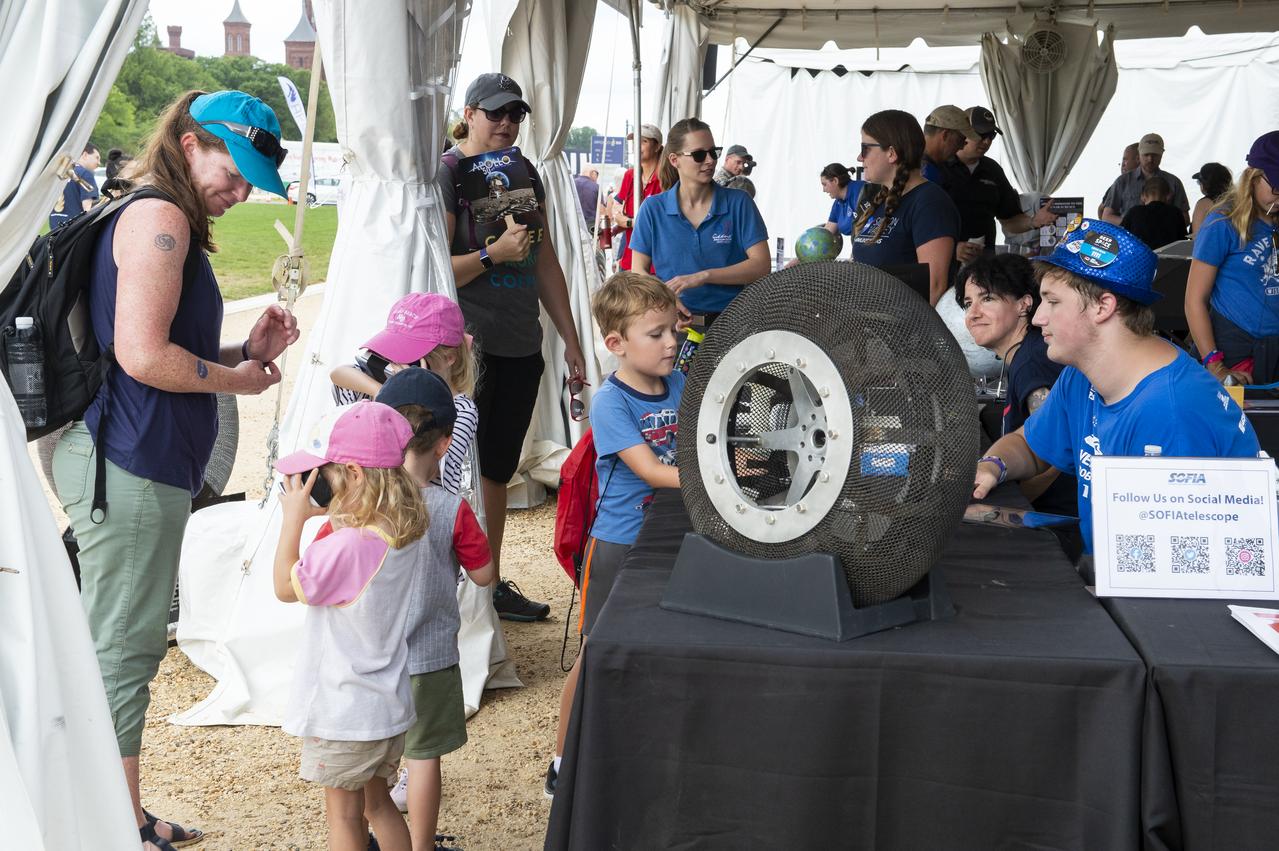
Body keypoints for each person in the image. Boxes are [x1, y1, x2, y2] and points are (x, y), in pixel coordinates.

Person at [50, 89, 298, 851]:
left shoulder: (160, 214)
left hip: (131, 458)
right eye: (235, 166)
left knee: (114, 646)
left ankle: (103, 812)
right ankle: (112, 824)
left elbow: (150, 350)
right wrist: (242, 382)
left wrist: (240, 355)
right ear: (191, 144)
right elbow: (144, 357)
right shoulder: (161, 219)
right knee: (122, 653)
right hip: (128, 464)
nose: (243, 188)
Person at [973, 218, 1261, 554]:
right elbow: (1031, 443)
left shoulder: (1170, 410)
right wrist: (993, 466)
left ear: (1103, 306)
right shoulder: (1081, 375)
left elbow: (1175, 565)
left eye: (1052, 301)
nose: (1038, 318)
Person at [438, 72, 586, 622]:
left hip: (522, 343)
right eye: (496, 113)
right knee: (449, 466)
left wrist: (571, 340)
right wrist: (492, 255)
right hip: (465, 348)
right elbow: (436, 271)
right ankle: (446, 588)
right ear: (470, 113)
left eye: (515, 115)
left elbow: (545, 262)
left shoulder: (524, 171)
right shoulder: (448, 174)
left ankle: (488, 586)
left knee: (498, 468)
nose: (506, 123)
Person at [547, 271, 683, 798]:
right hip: (620, 546)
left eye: (673, 329)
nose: (671, 341)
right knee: (597, 653)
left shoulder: (682, 381)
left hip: (670, 538)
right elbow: (651, 471)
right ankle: (562, 761)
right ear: (615, 343)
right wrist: (724, 477)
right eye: (656, 334)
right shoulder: (610, 401)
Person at [274, 401, 426, 851]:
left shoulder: (346, 547)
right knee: (377, 807)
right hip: (386, 706)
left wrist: (292, 520)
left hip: (343, 713)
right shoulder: (400, 531)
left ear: (355, 476)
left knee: (342, 817)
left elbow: (285, 585)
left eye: (329, 474)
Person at [374, 369, 496, 851]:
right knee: (423, 761)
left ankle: (379, 835)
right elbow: (485, 575)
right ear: (444, 443)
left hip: (373, 659)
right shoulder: (450, 507)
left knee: (375, 762)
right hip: (430, 659)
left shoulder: (362, 504)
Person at [330, 292, 479, 495]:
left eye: (409, 357)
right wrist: (386, 391)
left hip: (424, 513)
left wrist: (417, 396)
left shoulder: (461, 410)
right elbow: (339, 373)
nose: (396, 361)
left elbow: (431, 473)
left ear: (449, 358)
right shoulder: (385, 387)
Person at [629, 118, 770, 325]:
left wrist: (703, 276)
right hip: (675, 326)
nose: (710, 160)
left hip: (732, 325)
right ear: (674, 160)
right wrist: (666, 299)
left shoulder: (739, 203)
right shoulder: (652, 209)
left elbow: (761, 265)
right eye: (698, 155)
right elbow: (638, 271)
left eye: (713, 152)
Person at [1186, 132, 1279, 384]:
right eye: (1277, 188)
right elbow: (1194, 300)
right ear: (1253, 177)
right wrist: (1215, 366)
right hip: (1235, 349)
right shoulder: (1222, 222)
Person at [852, 109, 960, 305]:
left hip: (904, 331)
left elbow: (933, 287)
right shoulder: (880, 199)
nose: (860, 158)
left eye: (865, 148)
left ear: (891, 153)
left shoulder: (930, 203)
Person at [947, 106, 1056, 264]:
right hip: (944, 259)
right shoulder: (940, 166)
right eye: (981, 134)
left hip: (982, 261)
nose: (987, 141)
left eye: (991, 136)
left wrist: (1033, 222)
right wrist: (951, 248)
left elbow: (1010, 220)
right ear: (963, 131)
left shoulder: (993, 170)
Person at [1101, 133, 1190, 226]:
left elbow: (1185, 219)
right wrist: (1134, 224)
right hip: (1129, 237)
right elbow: (1106, 217)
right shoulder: (1122, 182)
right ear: (1139, 155)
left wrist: (1159, 226)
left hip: (1164, 239)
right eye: (1146, 155)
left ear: (1162, 154)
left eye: (1155, 155)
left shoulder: (1174, 182)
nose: (1150, 159)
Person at [611, 123, 663, 271]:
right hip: (629, 259)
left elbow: (663, 223)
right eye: (635, 142)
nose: (637, 146)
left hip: (655, 265)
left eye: (644, 141)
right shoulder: (630, 175)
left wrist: (628, 222)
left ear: (657, 146)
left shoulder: (666, 178)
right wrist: (614, 228)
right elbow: (624, 214)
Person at [1119, 174, 1188, 250]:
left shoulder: (1134, 212)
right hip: (1169, 259)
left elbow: (1120, 235)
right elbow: (1183, 242)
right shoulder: (1176, 213)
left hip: (1140, 259)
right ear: (1169, 195)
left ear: (1143, 196)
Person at [920, 105, 976, 187]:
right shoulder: (926, 174)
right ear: (945, 135)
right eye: (960, 141)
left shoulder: (908, 160)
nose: (961, 147)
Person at [49, 142, 100, 229]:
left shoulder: (60, 173)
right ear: (85, 154)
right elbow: (87, 208)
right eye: (97, 158)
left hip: (54, 223)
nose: (99, 162)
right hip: (74, 228)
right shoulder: (85, 174)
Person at [820, 162, 864, 243]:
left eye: (825, 184)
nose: (823, 190)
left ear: (835, 181)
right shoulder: (837, 204)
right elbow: (827, 234)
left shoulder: (861, 191)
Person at [1190, 162, 1233, 237]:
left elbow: (1197, 236)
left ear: (1205, 183)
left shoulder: (1204, 204)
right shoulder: (1238, 200)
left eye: (1199, 182)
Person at [1097, 142, 1139, 218]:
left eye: (1126, 160)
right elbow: (1101, 210)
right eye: (1123, 160)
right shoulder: (1119, 183)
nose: (1123, 165)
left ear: (1138, 159)